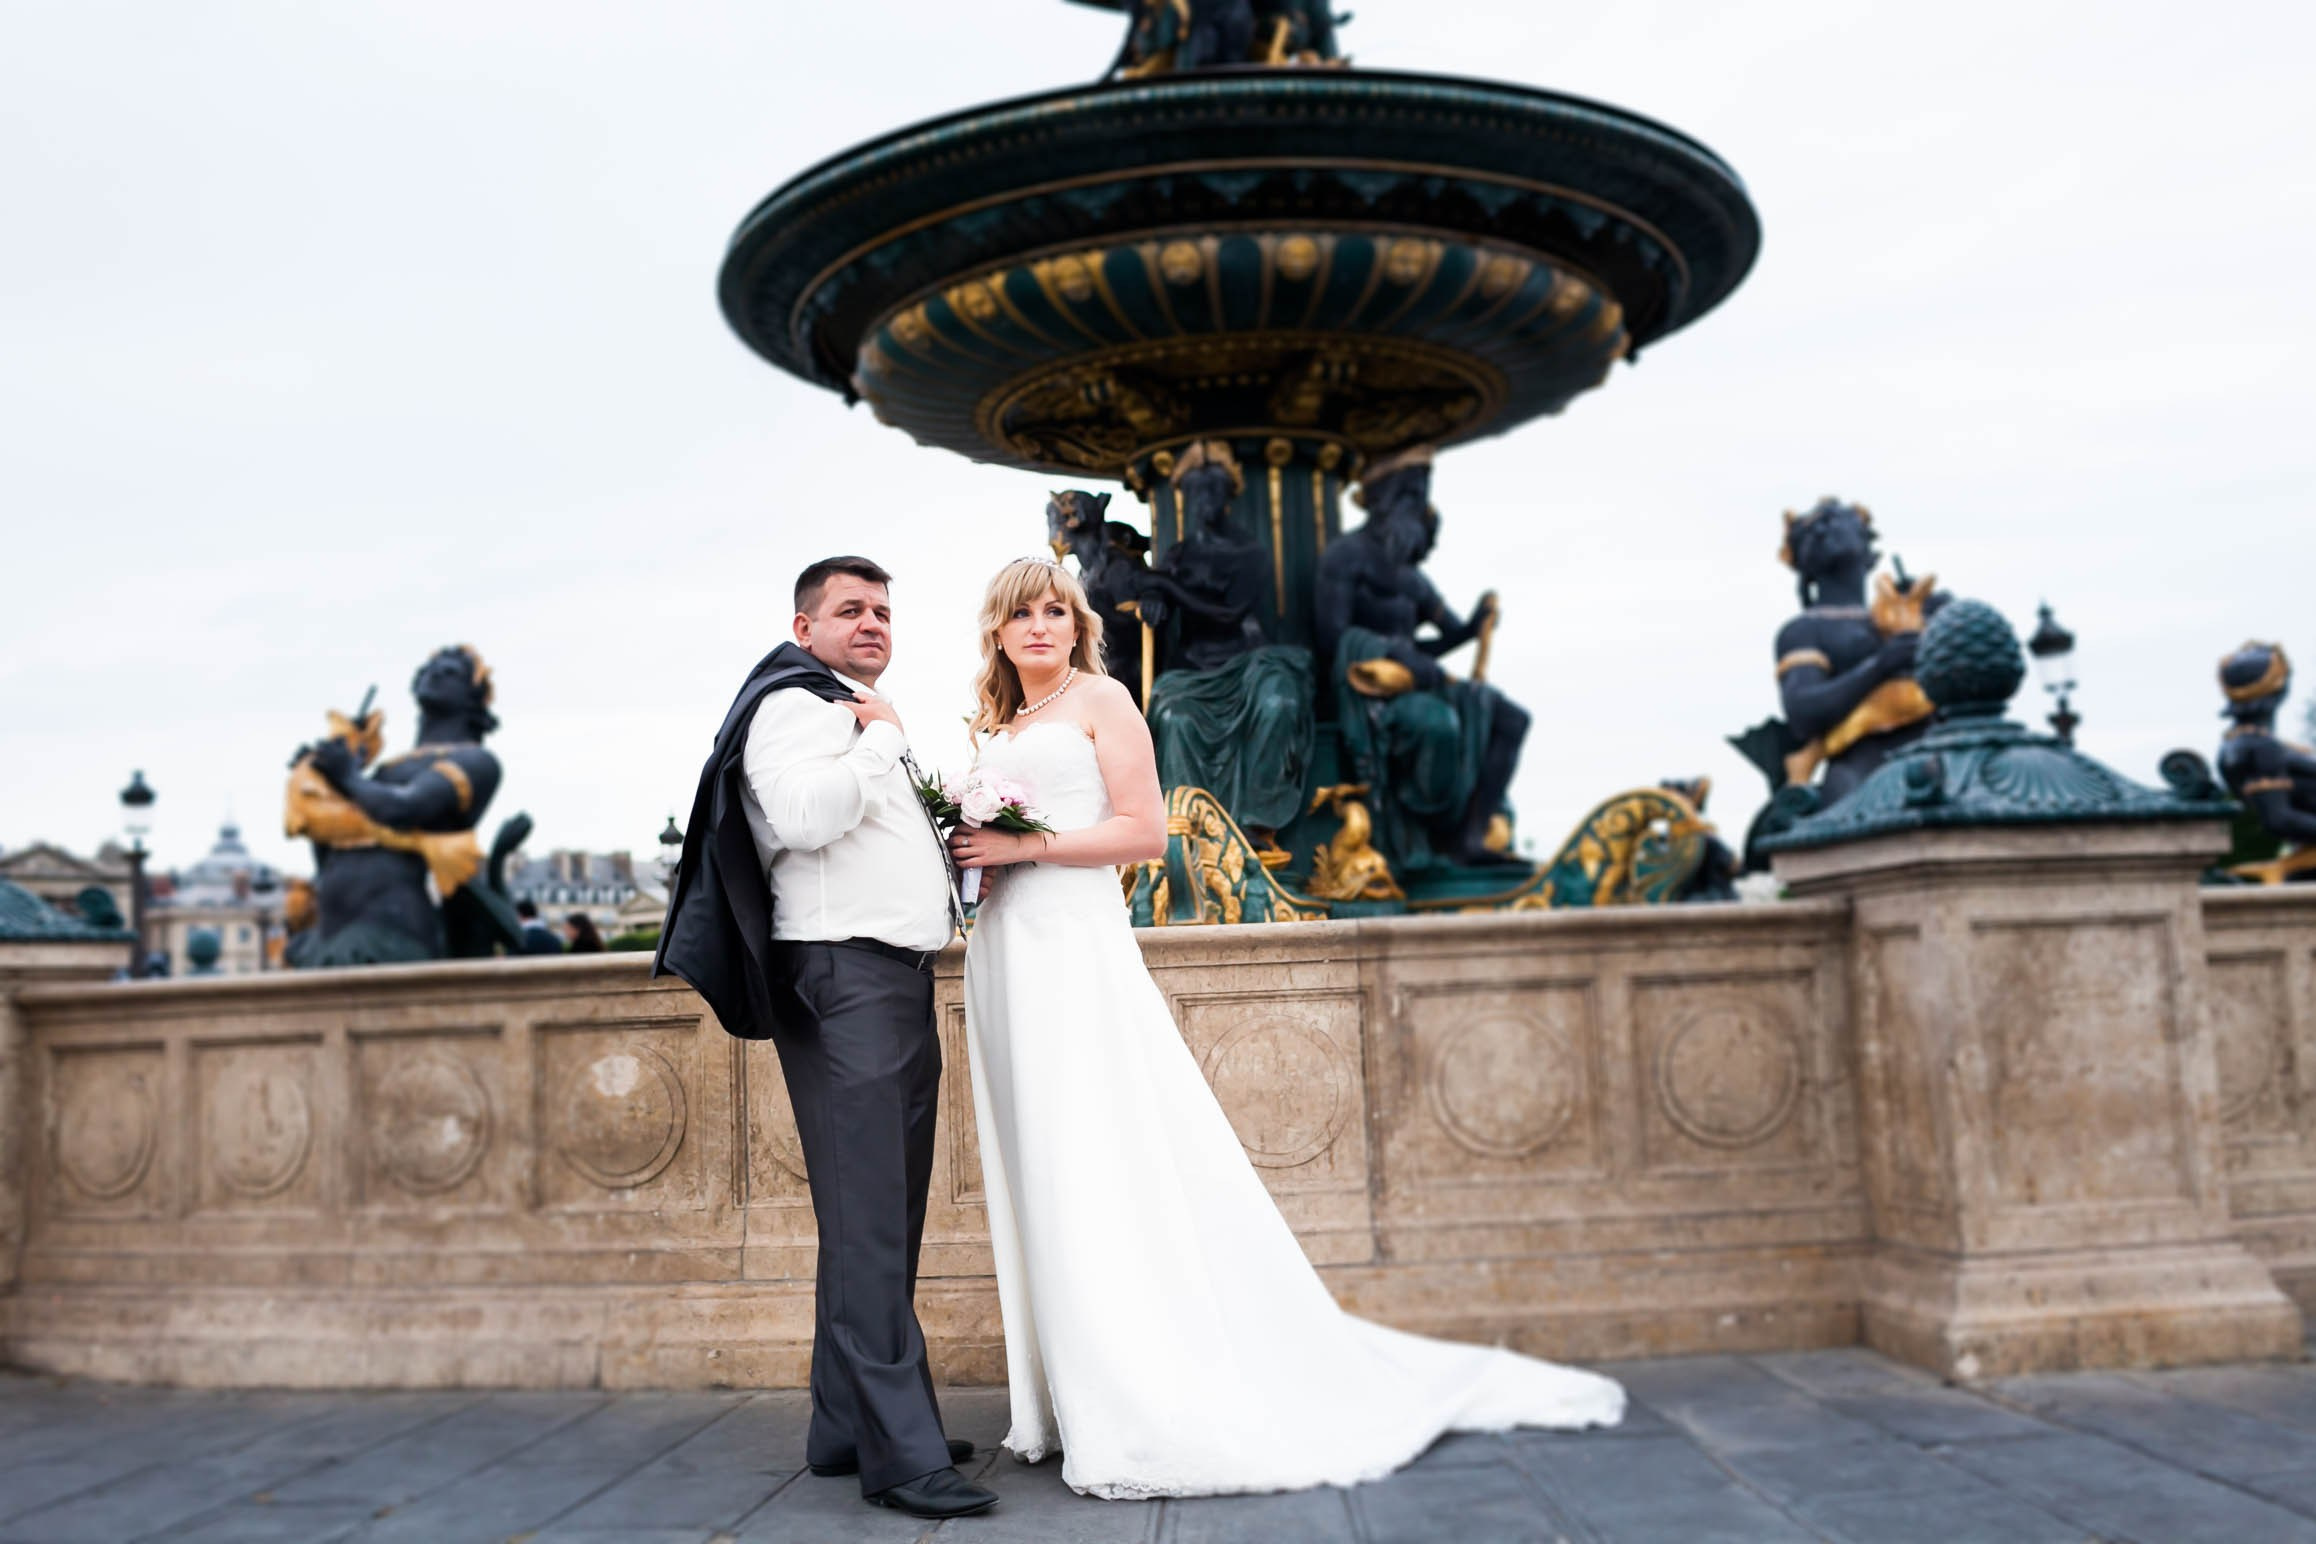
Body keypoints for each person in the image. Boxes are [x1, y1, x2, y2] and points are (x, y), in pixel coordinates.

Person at [949, 558, 1624, 1500]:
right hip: (1006, 953)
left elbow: (1144, 832)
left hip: (1071, 946)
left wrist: (1025, 845)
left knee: (1092, 1150)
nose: (1039, 625)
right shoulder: (1001, 725)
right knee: (1040, 1159)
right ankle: (1067, 1391)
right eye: (1021, 611)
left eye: (1055, 609)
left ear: (1077, 625)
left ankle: (1137, 1390)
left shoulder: (1105, 701)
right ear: (997, 628)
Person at [653, 556, 993, 1520]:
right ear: (804, 627)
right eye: (851, 609)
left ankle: (850, 1426)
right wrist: (881, 742)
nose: (875, 623)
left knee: (869, 1218)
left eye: (884, 609)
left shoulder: (837, 705)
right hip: (848, 978)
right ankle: (903, 1458)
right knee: (874, 1218)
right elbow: (801, 820)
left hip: (879, 979)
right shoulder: (804, 704)